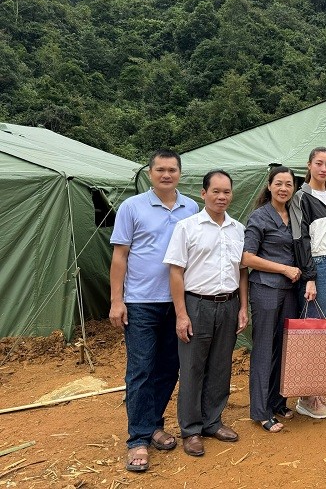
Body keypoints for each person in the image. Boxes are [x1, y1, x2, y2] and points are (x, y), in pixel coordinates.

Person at [109, 149, 198, 473]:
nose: (166, 174)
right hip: (141, 302)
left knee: (168, 368)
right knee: (141, 370)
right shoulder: (131, 208)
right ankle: (138, 440)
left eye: (172, 169)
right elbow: (120, 256)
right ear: (150, 173)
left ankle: (155, 424)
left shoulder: (191, 207)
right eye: (160, 169)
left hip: (178, 303)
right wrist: (117, 301)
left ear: (179, 173)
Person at [164, 170, 248, 457]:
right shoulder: (187, 227)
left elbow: (242, 271)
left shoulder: (237, 229)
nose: (222, 197)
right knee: (192, 368)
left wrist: (243, 307)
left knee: (221, 366)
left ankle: (213, 421)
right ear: (203, 194)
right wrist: (181, 314)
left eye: (226, 192)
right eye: (216, 191)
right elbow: (176, 271)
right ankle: (191, 429)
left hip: (229, 303)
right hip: (196, 304)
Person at [290, 147, 326, 418]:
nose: (323, 169)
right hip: (316, 264)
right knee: (312, 328)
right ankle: (306, 397)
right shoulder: (301, 197)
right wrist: (310, 276)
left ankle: (319, 391)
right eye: (318, 163)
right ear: (309, 165)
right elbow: (300, 238)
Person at [242, 167, 303, 433]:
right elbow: (247, 258)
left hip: (289, 291)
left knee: (284, 348)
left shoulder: (294, 215)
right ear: (269, 186)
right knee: (265, 348)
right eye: (279, 183)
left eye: (288, 184)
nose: (283, 189)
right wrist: (283, 269)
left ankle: (278, 401)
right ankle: (261, 410)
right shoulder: (259, 216)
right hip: (265, 289)